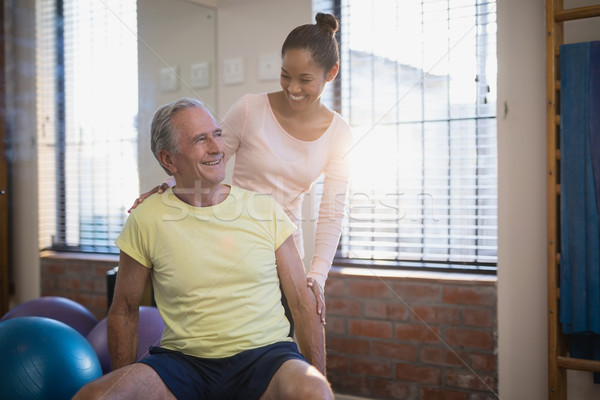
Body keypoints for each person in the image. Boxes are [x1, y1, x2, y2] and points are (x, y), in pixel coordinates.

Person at [73, 98, 333, 400]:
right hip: (182, 363)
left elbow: (302, 302)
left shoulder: (264, 209)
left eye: (217, 134)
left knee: (315, 393)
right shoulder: (147, 217)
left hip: (266, 357)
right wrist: (124, 378)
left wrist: (319, 378)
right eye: (200, 139)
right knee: (95, 396)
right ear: (169, 159)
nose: (216, 147)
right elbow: (125, 310)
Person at [131, 13, 353, 324]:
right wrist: (166, 186)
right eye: (285, 75)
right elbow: (208, 158)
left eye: (305, 79)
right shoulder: (250, 109)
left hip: (284, 251)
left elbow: (332, 210)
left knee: (280, 343)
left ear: (331, 73)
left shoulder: (338, 132)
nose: (292, 88)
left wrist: (316, 276)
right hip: (231, 239)